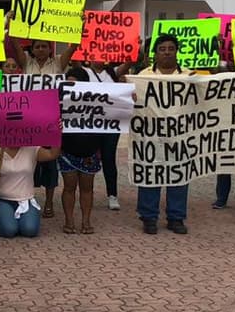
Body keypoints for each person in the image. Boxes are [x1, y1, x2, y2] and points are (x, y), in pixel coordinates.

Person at [10, 38, 76, 218]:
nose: (40, 50)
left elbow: (73, 48)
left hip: (48, 121)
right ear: (32, 49)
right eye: (37, 47)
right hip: (28, 121)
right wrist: (11, 25)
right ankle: (24, 198)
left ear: (50, 49)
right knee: (27, 161)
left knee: (50, 164)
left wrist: (78, 28)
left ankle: (48, 201)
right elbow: (15, 44)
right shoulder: (26, 62)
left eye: (44, 46)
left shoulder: (58, 62)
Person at [135, 34, 193, 235]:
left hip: (180, 135)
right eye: (162, 49)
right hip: (151, 136)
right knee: (151, 174)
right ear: (155, 53)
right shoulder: (142, 76)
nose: (167, 52)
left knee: (179, 176)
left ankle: (176, 218)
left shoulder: (189, 76)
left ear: (177, 51)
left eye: (171, 48)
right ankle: (149, 217)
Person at [59, 65, 103, 235]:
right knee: (69, 187)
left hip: (89, 150)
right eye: (68, 84)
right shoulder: (60, 100)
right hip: (67, 150)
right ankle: (69, 221)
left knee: (87, 188)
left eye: (75, 84)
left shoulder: (96, 99)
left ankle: (86, 221)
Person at [83, 59, 128, 211]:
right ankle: (87, 192)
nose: (98, 58)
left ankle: (112, 195)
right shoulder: (85, 72)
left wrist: (134, 46)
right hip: (90, 123)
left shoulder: (112, 72)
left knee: (109, 158)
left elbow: (128, 63)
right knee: (88, 158)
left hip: (110, 124)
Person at [0, 140, 60, 239]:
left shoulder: (32, 148)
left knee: (30, 230)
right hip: (4, 199)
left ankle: (16, 219)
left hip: (26, 200)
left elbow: (52, 154)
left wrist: (57, 133)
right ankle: (2, 217)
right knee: (9, 230)